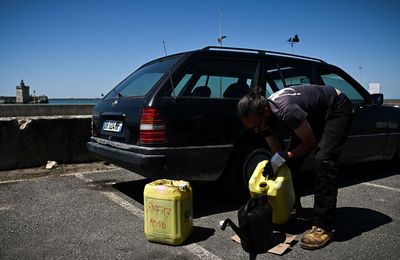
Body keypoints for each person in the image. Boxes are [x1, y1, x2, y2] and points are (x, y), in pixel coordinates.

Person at [238, 85, 354, 250]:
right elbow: (278, 153)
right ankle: (291, 205)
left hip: (337, 107)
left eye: (256, 126)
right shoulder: (263, 119)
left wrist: (287, 156)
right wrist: (275, 163)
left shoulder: (286, 110)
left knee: (324, 161)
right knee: (288, 163)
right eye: (251, 129)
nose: (256, 131)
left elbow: (309, 143)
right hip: (315, 114)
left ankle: (324, 226)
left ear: (265, 111)